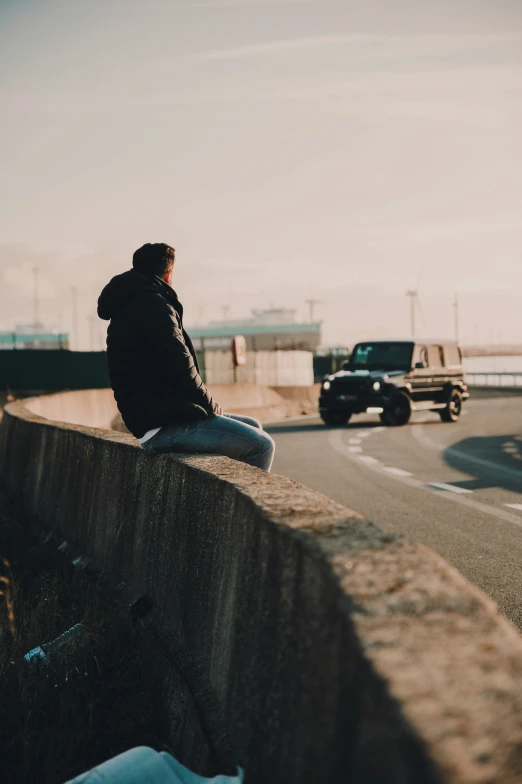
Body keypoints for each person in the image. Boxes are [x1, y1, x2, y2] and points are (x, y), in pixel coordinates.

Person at [97, 243, 275, 471]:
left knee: (253, 425)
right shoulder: (154, 305)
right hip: (163, 426)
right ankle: (228, 507)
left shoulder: (127, 305)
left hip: (155, 418)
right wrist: (210, 405)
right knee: (262, 445)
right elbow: (181, 367)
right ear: (168, 273)